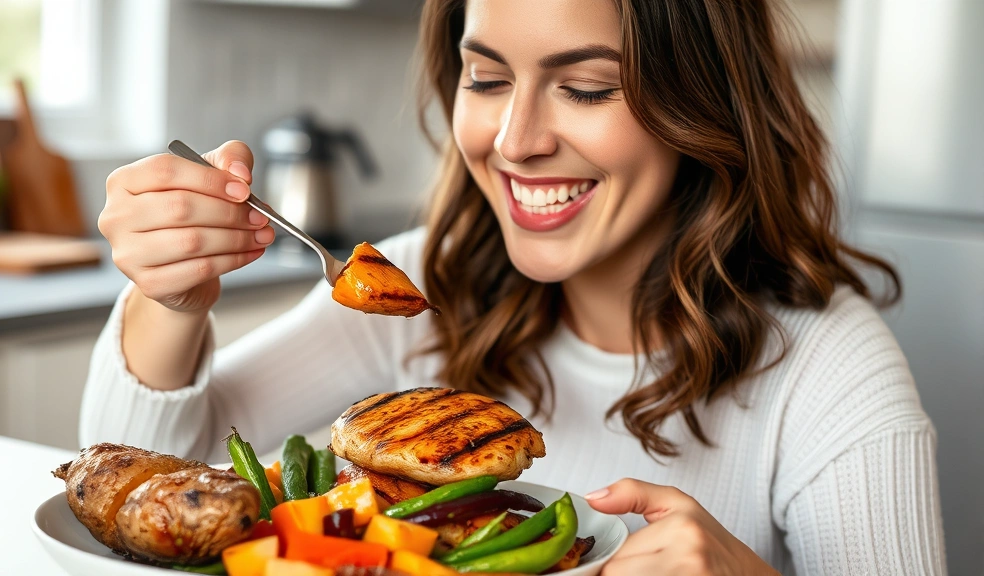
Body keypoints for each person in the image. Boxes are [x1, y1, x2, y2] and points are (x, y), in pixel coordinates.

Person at [83, 0, 946, 573]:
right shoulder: (416, 286)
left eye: (587, 87)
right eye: (486, 79)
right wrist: (170, 300)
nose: (515, 138)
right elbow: (129, 499)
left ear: (704, 105)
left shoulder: (829, 365)